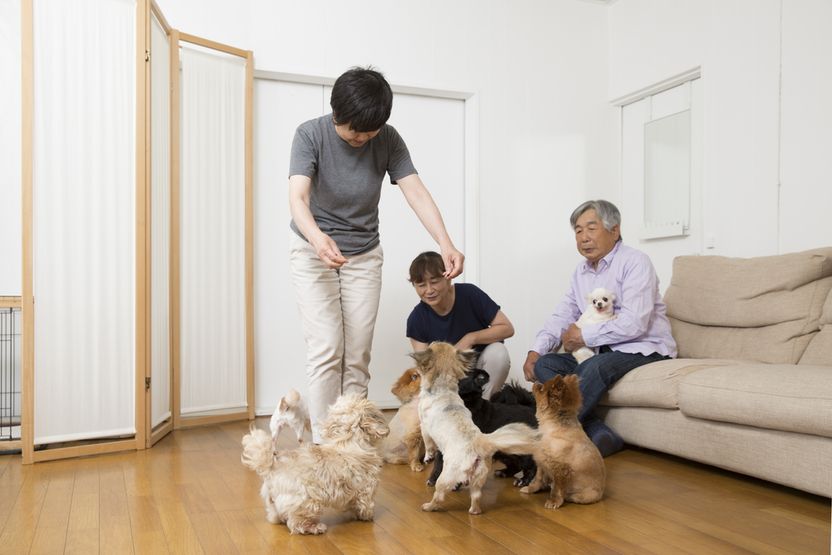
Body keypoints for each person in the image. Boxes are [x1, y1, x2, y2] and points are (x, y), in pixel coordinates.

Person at [288, 67, 464, 443]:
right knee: (326, 348)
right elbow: (298, 197)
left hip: (363, 255)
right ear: (337, 115)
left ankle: (352, 438)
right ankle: (324, 441)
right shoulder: (310, 134)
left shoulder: (387, 138)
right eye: (356, 131)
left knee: (356, 355)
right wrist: (318, 238)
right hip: (312, 250)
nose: (364, 138)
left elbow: (415, 190)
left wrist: (445, 242)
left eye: (371, 131)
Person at [522, 199, 676, 457]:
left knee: (593, 366)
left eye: (591, 228)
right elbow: (563, 314)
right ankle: (599, 433)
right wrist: (535, 351)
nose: (583, 237)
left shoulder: (635, 262)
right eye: (578, 231)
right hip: (600, 352)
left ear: (614, 230)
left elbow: (635, 322)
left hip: (643, 348)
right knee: (546, 365)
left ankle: (548, 438)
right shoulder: (580, 273)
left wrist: (584, 336)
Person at [406, 251, 513, 399]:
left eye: (435, 281)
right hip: (447, 377)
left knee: (498, 352)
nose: (429, 290)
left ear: (448, 277)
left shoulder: (469, 294)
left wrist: (471, 338)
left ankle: (486, 406)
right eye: (421, 285)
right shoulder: (416, 318)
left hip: (480, 368)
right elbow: (424, 369)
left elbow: (507, 328)